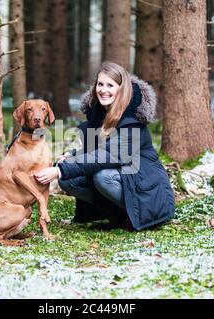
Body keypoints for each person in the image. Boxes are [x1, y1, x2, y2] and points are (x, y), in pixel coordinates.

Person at [34, 61, 175, 231]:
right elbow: (97, 150)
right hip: (124, 177)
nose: (103, 90)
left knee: (102, 177)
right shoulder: (99, 113)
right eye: (100, 84)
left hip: (148, 192)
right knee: (68, 180)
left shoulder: (132, 120)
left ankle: (133, 215)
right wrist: (72, 156)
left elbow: (109, 155)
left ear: (121, 90)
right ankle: (117, 214)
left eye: (110, 85)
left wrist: (59, 170)